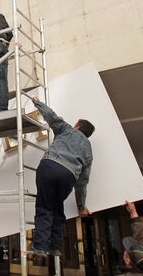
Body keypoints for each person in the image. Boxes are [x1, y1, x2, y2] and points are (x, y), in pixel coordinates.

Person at [31, 96, 95, 256]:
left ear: (77, 126)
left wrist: (37, 102)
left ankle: (40, 246)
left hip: (50, 166)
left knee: (44, 207)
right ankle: (55, 247)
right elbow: (82, 182)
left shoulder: (67, 129)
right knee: (57, 209)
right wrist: (81, 207)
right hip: (68, 177)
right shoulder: (88, 151)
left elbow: (51, 116)